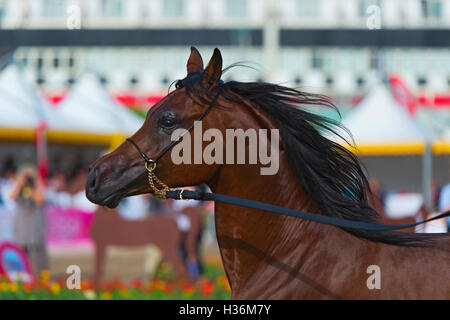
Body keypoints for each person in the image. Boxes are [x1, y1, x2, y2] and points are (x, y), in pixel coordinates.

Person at [9, 166, 49, 274]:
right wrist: (20, 184)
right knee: (21, 250)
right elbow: (11, 197)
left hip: (35, 222)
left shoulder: (37, 185)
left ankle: (42, 275)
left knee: (38, 251)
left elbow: (40, 200)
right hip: (22, 223)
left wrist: (34, 185)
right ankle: (23, 274)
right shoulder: (18, 185)